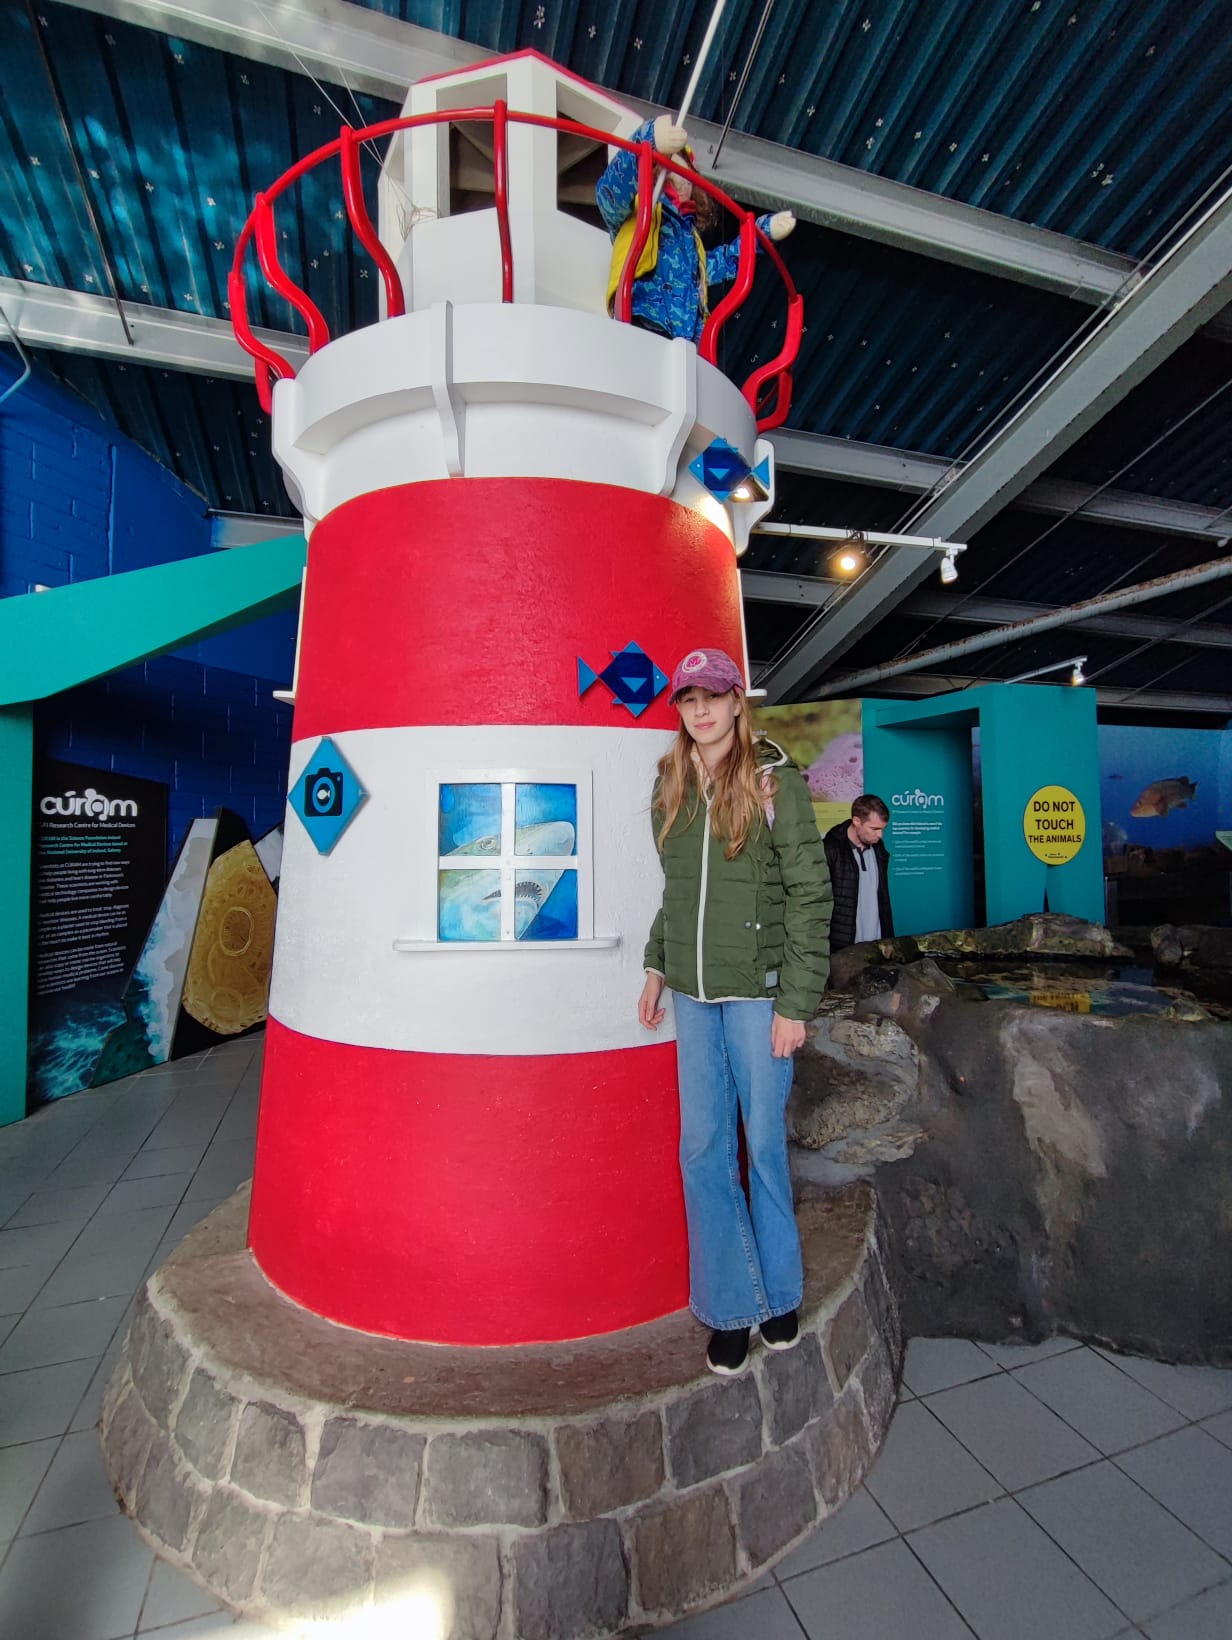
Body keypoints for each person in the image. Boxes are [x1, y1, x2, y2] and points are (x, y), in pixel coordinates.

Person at [638, 647, 832, 1376]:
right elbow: (677, 894)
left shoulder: (776, 783)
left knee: (764, 1147)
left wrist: (796, 1003)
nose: (702, 710)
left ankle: (778, 1295)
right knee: (703, 1151)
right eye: (688, 699)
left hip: (760, 994)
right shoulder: (672, 786)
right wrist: (657, 965)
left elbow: (811, 897)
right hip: (693, 996)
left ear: (737, 702)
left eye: (713, 696)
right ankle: (728, 1308)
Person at [597, 116, 796, 344]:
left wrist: (761, 233)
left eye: (686, 176)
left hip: (688, 340)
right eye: (670, 173)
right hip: (644, 319)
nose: (681, 182)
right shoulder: (637, 210)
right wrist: (650, 139)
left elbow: (722, 262)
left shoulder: (692, 241)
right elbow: (609, 192)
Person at [823, 795, 894, 955]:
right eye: (874, 829)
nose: (880, 835)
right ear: (856, 821)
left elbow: (883, 898)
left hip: (877, 945)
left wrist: (889, 939)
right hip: (842, 948)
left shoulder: (879, 848)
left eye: (882, 829)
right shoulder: (830, 849)